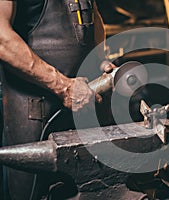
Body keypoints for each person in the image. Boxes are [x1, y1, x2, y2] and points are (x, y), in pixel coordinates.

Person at [0, 0, 111, 199]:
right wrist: (63, 86)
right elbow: (2, 38)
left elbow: (92, 16)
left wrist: (99, 57)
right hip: (34, 118)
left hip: (82, 110)